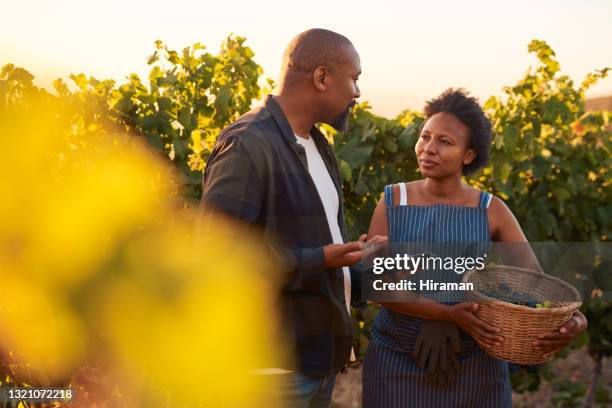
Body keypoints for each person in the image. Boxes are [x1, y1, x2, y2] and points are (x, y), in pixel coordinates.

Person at [361, 88, 587, 407]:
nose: (428, 148)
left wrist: (575, 319)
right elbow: (378, 286)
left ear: (468, 156)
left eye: (445, 142)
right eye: (425, 137)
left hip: (475, 360)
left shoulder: (491, 209)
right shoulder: (392, 200)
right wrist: (444, 314)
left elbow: (535, 283)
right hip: (398, 354)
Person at [200, 28, 386, 407]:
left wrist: (356, 260)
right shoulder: (247, 144)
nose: (357, 92)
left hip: (316, 365)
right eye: (354, 78)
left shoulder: (318, 145)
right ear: (321, 77)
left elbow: (316, 247)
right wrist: (322, 258)